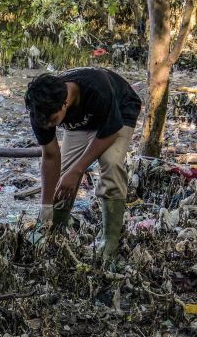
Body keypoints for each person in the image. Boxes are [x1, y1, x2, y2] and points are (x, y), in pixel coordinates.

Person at [24, 68, 142, 259]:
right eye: (45, 123)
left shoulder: (97, 87)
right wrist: (45, 207)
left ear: (64, 103)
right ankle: (56, 231)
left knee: (110, 163)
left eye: (54, 121)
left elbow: (110, 132)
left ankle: (109, 241)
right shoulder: (40, 111)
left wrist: (78, 170)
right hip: (80, 122)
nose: (49, 127)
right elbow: (51, 156)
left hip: (118, 111)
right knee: (63, 178)